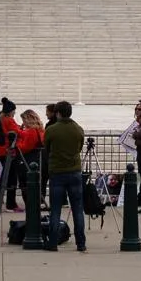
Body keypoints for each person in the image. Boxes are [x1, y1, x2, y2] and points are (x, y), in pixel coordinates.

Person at [43, 101, 87, 252]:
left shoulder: (52, 130)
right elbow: (79, 147)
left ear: (58, 113)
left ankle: (53, 242)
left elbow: (47, 148)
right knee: (77, 209)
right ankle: (81, 243)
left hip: (57, 172)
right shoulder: (78, 129)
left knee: (55, 209)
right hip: (74, 171)